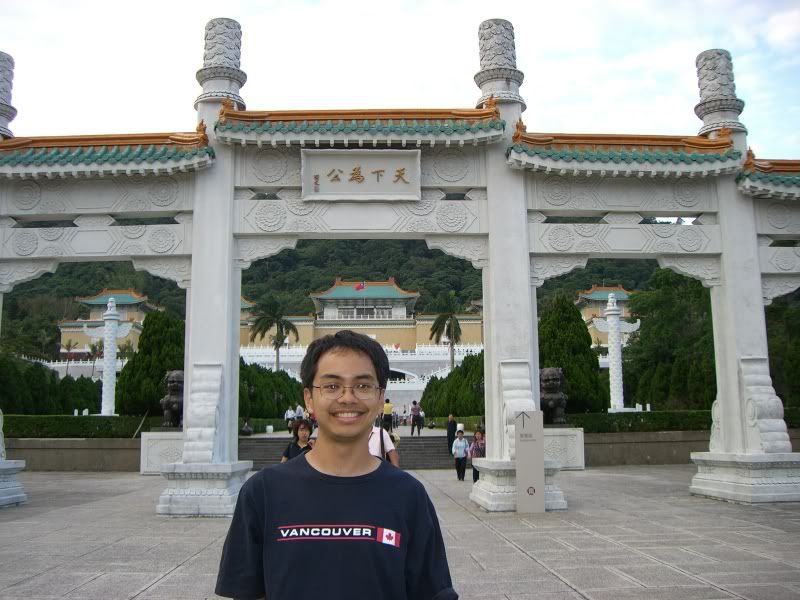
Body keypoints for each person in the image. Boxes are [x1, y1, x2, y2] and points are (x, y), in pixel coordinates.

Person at [216, 330, 458, 600]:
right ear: (309, 399)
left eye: (363, 386)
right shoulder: (263, 492)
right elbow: (247, 593)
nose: (347, 398)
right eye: (331, 386)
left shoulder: (409, 496)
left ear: (380, 398)